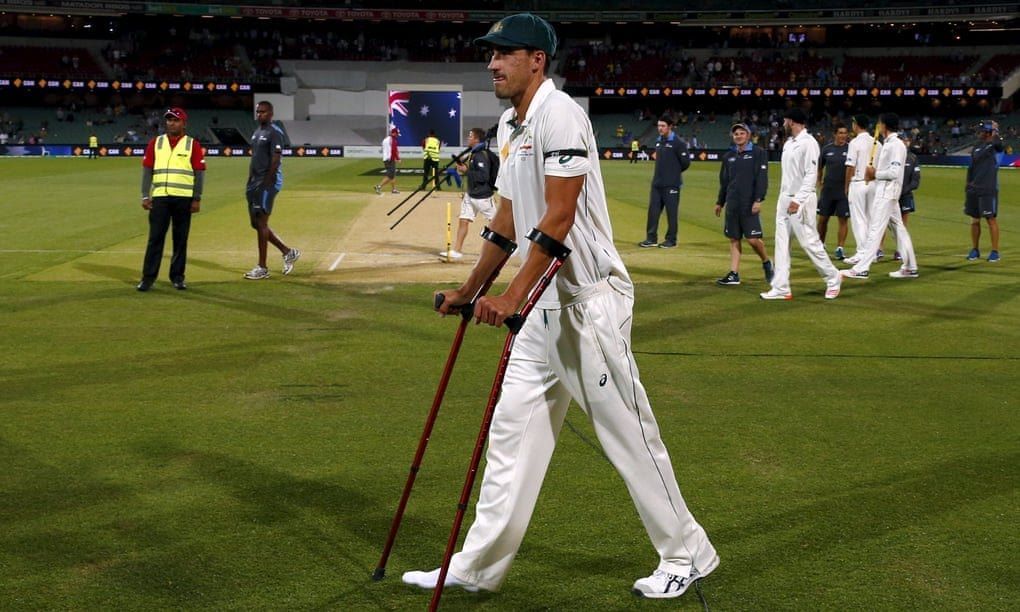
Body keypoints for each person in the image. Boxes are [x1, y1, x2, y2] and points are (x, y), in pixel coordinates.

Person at [403, 12, 718, 600]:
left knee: (626, 432)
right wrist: (470, 292)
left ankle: (687, 553)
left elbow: (558, 218)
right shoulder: (509, 122)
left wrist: (510, 297)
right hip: (538, 311)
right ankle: (478, 565)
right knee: (510, 436)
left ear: (537, 61)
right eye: (489, 54)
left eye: (504, 54)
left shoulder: (561, 114)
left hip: (584, 302)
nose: (491, 64)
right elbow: (507, 220)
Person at [760, 108, 842, 300]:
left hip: (801, 200)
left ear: (793, 122)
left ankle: (833, 277)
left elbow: (811, 175)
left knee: (809, 242)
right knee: (781, 244)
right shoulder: (790, 143)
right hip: (785, 199)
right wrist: (785, 199)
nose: (783, 125)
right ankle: (781, 287)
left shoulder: (809, 143)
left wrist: (798, 199)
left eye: (785, 121)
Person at [840, 112, 918, 280]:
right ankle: (910, 266)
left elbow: (895, 172)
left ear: (884, 126)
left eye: (880, 124)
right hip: (887, 191)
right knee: (899, 229)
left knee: (875, 229)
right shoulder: (890, 143)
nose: (878, 126)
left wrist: (875, 174)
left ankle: (861, 268)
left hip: (886, 191)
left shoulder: (895, 145)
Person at [136, 107, 205, 292]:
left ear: (184, 123)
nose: (171, 123)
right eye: (169, 120)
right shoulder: (156, 143)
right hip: (160, 198)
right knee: (155, 239)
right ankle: (148, 278)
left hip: (183, 199)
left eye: (175, 120)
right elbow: (147, 170)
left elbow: (199, 173)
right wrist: (145, 195)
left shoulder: (192, 145)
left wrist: (197, 198)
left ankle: (177, 277)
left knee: (180, 240)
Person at [244, 100, 300, 280]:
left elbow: (275, 161)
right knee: (255, 223)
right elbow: (255, 159)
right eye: (258, 111)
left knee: (261, 223)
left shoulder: (275, 133)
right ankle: (288, 252)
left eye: (264, 112)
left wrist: (265, 183)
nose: (260, 114)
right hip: (254, 182)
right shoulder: (256, 132)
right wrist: (250, 180)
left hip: (268, 182)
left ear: (271, 113)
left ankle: (262, 267)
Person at [714, 122, 773, 286]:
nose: (738, 136)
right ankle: (734, 274)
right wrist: (720, 202)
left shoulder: (758, 153)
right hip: (733, 203)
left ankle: (767, 262)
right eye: (736, 134)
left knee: (753, 239)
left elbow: (762, 178)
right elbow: (724, 182)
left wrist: (758, 199)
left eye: (741, 133)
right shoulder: (728, 157)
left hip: (749, 203)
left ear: (747, 135)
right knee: (734, 238)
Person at [438, 127, 498, 260]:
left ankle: (514, 245)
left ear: (476, 139)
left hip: (483, 197)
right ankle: (457, 251)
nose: (468, 138)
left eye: (470, 136)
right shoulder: (473, 154)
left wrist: (466, 171)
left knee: (497, 223)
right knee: (463, 221)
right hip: (470, 195)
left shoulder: (481, 155)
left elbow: (483, 177)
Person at [639, 115, 690, 248]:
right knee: (653, 212)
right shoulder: (658, 141)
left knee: (671, 214)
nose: (660, 129)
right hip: (657, 184)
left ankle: (671, 240)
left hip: (672, 184)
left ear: (670, 126)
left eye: (663, 126)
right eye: (659, 126)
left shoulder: (678, 143)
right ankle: (651, 238)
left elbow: (685, 163)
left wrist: (672, 173)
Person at [843, 115, 881, 264]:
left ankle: (862, 253)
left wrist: (846, 186)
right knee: (872, 219)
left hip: (858, 183)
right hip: (874, 184)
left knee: (859, 219)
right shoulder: (877, 143)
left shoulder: (854, 142)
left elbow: (850, 166)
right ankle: (874, 252)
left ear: (856, 125)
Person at [965, 120, 1003, 262]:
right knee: (974, 220)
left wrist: (995, 132)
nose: (979, 133)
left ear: (988, 132)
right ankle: (975, 249)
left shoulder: (995, 146)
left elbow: (1000, 145)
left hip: (988, 188)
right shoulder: (976, 147)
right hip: (974, 189)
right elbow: (972, 168)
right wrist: (968, 185)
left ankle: (995, 251)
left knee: (990, 219)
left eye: (981, 131)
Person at [817, 123, 850, 260]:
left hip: (844, 191)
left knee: (843, 220)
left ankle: (840, 248)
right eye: (840, 133)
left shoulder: (850, 149)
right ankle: (821, 245)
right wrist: (819, 182)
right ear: (835, 134)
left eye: (845, 133)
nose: (843, 135)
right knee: (823, 219)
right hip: (828, 191)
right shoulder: (826, 149)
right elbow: (819, 167)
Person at [887, 134, 921, 261]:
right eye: (902, 140)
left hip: (905, 195)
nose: (905, 142)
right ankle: (879, 249)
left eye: (906, 140)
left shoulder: (912, 158)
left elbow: (916, 181)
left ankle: (899, 250)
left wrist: (902, 190)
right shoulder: (890, 156)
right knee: (884, 224)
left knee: (902, 225)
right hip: (890, 194)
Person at [374, 127, 400, 195]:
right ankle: (378, 186)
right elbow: (394, 150)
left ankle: (394, 189)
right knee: (390, 176)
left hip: (386, 159)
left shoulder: (385, 139)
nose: (397, 135)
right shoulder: (393, 140)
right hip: (390, 159)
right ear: (393, 133)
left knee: (393, 175)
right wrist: (397, 158)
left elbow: (382, 149)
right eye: (397, 134)